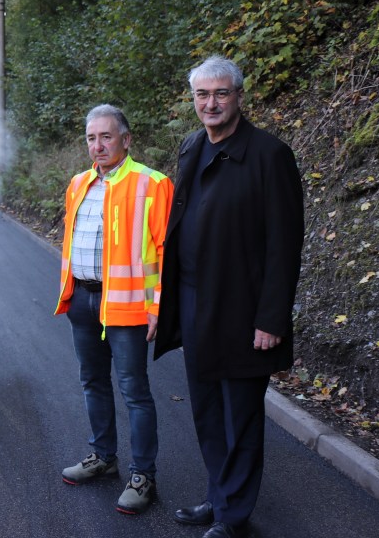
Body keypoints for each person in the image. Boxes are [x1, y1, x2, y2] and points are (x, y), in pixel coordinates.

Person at [154, 56, 304, 538]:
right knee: (207, 409)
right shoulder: (192, 146)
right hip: (196, 300)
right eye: (202, 95)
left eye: (221, 93)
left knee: (240, 415)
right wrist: (167, 305)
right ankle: (219, 498)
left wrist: (271, 318)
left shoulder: (269, 155)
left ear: (240, 96)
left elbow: (285, 245)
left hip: (243, 309)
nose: (211, 103)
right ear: (193, 99)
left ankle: (234, 516)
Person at [54, 104, 173, 515]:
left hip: (126, 304)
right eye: (91, 138)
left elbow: (164, 250)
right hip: (84, 300)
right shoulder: (78, 184)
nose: (98, 145)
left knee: (134, 391)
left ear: (126, 140)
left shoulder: (152, 184)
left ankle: (143, 476)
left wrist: (158, 305)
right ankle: (103, 457)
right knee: (92, 382)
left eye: (106, 137)